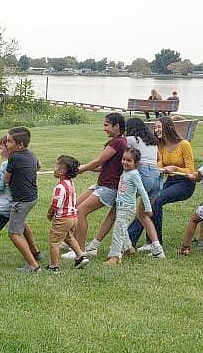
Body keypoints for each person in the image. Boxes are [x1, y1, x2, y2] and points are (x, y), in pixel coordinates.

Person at [129, 115, 196, 247]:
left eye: (159, 127)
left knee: (157, 200)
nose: (156, 130)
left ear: (168, 127)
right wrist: (160, 168)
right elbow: (158, 162)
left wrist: (175, 168)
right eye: (155, 127)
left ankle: (154, 242)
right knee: (149, 203)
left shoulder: (184, 144)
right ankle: (130, 240)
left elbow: (190, 170)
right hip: (169, 181)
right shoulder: (160, 145)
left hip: (185, 183)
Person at [71, 113, 128, 257]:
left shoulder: (118, 143)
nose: (104, 129)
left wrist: (79, 169)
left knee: (80, 211)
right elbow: (104, 166)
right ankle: (70, 241)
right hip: (101, 184)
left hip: (109, 188)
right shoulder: (117, 142)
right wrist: (84, 168)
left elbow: (98, 161)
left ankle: (80, 250)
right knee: (73, 208)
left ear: (117, 126)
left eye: (106, 125)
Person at [106, 148, 163, 265]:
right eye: (123, 159)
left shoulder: (134, 174)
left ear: (136, 164)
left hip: (127, 208)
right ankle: (128, 248)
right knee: (122, 228)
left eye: (129, 161)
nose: (124, 162)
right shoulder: (126, 172)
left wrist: (148, 208)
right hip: (121, 207)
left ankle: (115, 257)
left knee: (118, 230)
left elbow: (142, 191)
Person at [4, 126, 42, 272]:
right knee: (22, 223)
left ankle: (33, 265)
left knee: (14, 233)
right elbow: (39, 166)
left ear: (19, 145)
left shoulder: (14, 157)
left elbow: (6, 179)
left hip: (21, 200)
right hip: (32, 197)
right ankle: (34, 251)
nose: (7, 145)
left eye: (10, 142)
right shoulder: (31, 154)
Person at [45, 155, 90, 273]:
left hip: (63, 219)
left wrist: (50, 214)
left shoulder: (60, 187)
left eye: (56, 166)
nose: (54, 168)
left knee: (54, 241)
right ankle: (81, 256)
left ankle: (54, 266)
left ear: (61, 172)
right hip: (73, 217)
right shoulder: (70, 183)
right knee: (69, 237)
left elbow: (56, 205)